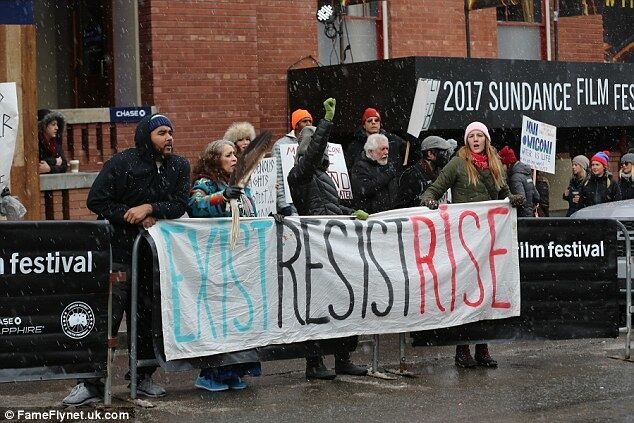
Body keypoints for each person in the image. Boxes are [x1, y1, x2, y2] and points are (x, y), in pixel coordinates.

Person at [62, 113, 191, 406]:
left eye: (170, 132)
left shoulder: (179, 166)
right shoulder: (122, 163)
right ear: (146, 137)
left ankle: (143, 376)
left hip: (154, 258)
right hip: (118, 255)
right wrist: (127, 215)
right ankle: (91, 382)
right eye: (161, 133)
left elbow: (180, 203)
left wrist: (149, 207)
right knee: (107, 319)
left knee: (148, 319)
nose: (169, 138)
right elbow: (96, 200)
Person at [421, 121, 524, 369]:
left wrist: (513, 199)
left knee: (486, 294)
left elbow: (504, 193)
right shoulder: (457, 163)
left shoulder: (495, 164)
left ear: (486, 140)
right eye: (472, 136)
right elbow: (433, 190)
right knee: (466, 294)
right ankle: (462, 349)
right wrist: (429, 201)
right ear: (466, 140)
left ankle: (483, 348)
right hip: (464, 240)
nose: (476, 139)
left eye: (480, 135)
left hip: (488, 240)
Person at [287, 98, 368, 380]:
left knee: (342, 301)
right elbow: (312, 154)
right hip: (316, 249)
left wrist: (350, 213)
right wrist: (326, 122)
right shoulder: (299, 174)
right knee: (318, 306)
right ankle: (314, 362)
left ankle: (343, 357)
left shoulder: (322, 176)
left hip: (333, 246)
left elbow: (329, 208)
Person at [188, 139, 262, 391]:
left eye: (235, 155)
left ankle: (234, 371)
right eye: (228, 155)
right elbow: (195, 207)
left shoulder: (243, 185)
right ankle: (210, 374)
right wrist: (220, 197)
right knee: (219, 320)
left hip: (241, 262)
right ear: (214, 160)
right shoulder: (204, 184)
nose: (234, 159)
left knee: (240, 319)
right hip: (216, 263)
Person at [271, 109, 314, 216]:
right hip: (291, 204)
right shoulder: (280, 145)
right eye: (304, 121)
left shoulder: (315, 144)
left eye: (310, 121)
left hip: (311, 200)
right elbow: (278, 176)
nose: (308, 124)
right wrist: (283, 204)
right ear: (296, 125)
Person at [393, 135, 454, 209]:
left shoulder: (442, 173)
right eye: (443, 153)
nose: (446, 157)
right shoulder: (412, 175)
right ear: (430, 154)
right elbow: (402, 207)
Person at [343, 107, 406, 173]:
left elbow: (408, 151)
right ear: (364, 125)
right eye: (370, 120)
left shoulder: (393, 140)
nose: (373, 122)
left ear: (379, 124)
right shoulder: (354, 146)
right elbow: (349, 168)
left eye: (376, 120)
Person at [350, 133, 397, 214]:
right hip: (370, 218)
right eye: (382, 149)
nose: (386, 152)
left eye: (387, 148)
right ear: (371, 152)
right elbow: (365, 189)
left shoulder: (389, 167)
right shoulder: (360, 167)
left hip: (389, 216)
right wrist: (387, 175)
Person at [498, 146, 540, 217]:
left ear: (508, 164)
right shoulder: (526, 174)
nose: (502, 168)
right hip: (529, 215)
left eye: (502, 165)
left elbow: (521, 200)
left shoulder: (515, 178)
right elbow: (537, 197)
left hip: (521, 217)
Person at [37, 109, 68, 174]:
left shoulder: (56, 142)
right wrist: (55, 161)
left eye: (57, 125)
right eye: (53, 124)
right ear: (44, 126)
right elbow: (39, 164)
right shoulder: (36, 142)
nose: (57, 128)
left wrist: (50, 168)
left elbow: (64, 166)